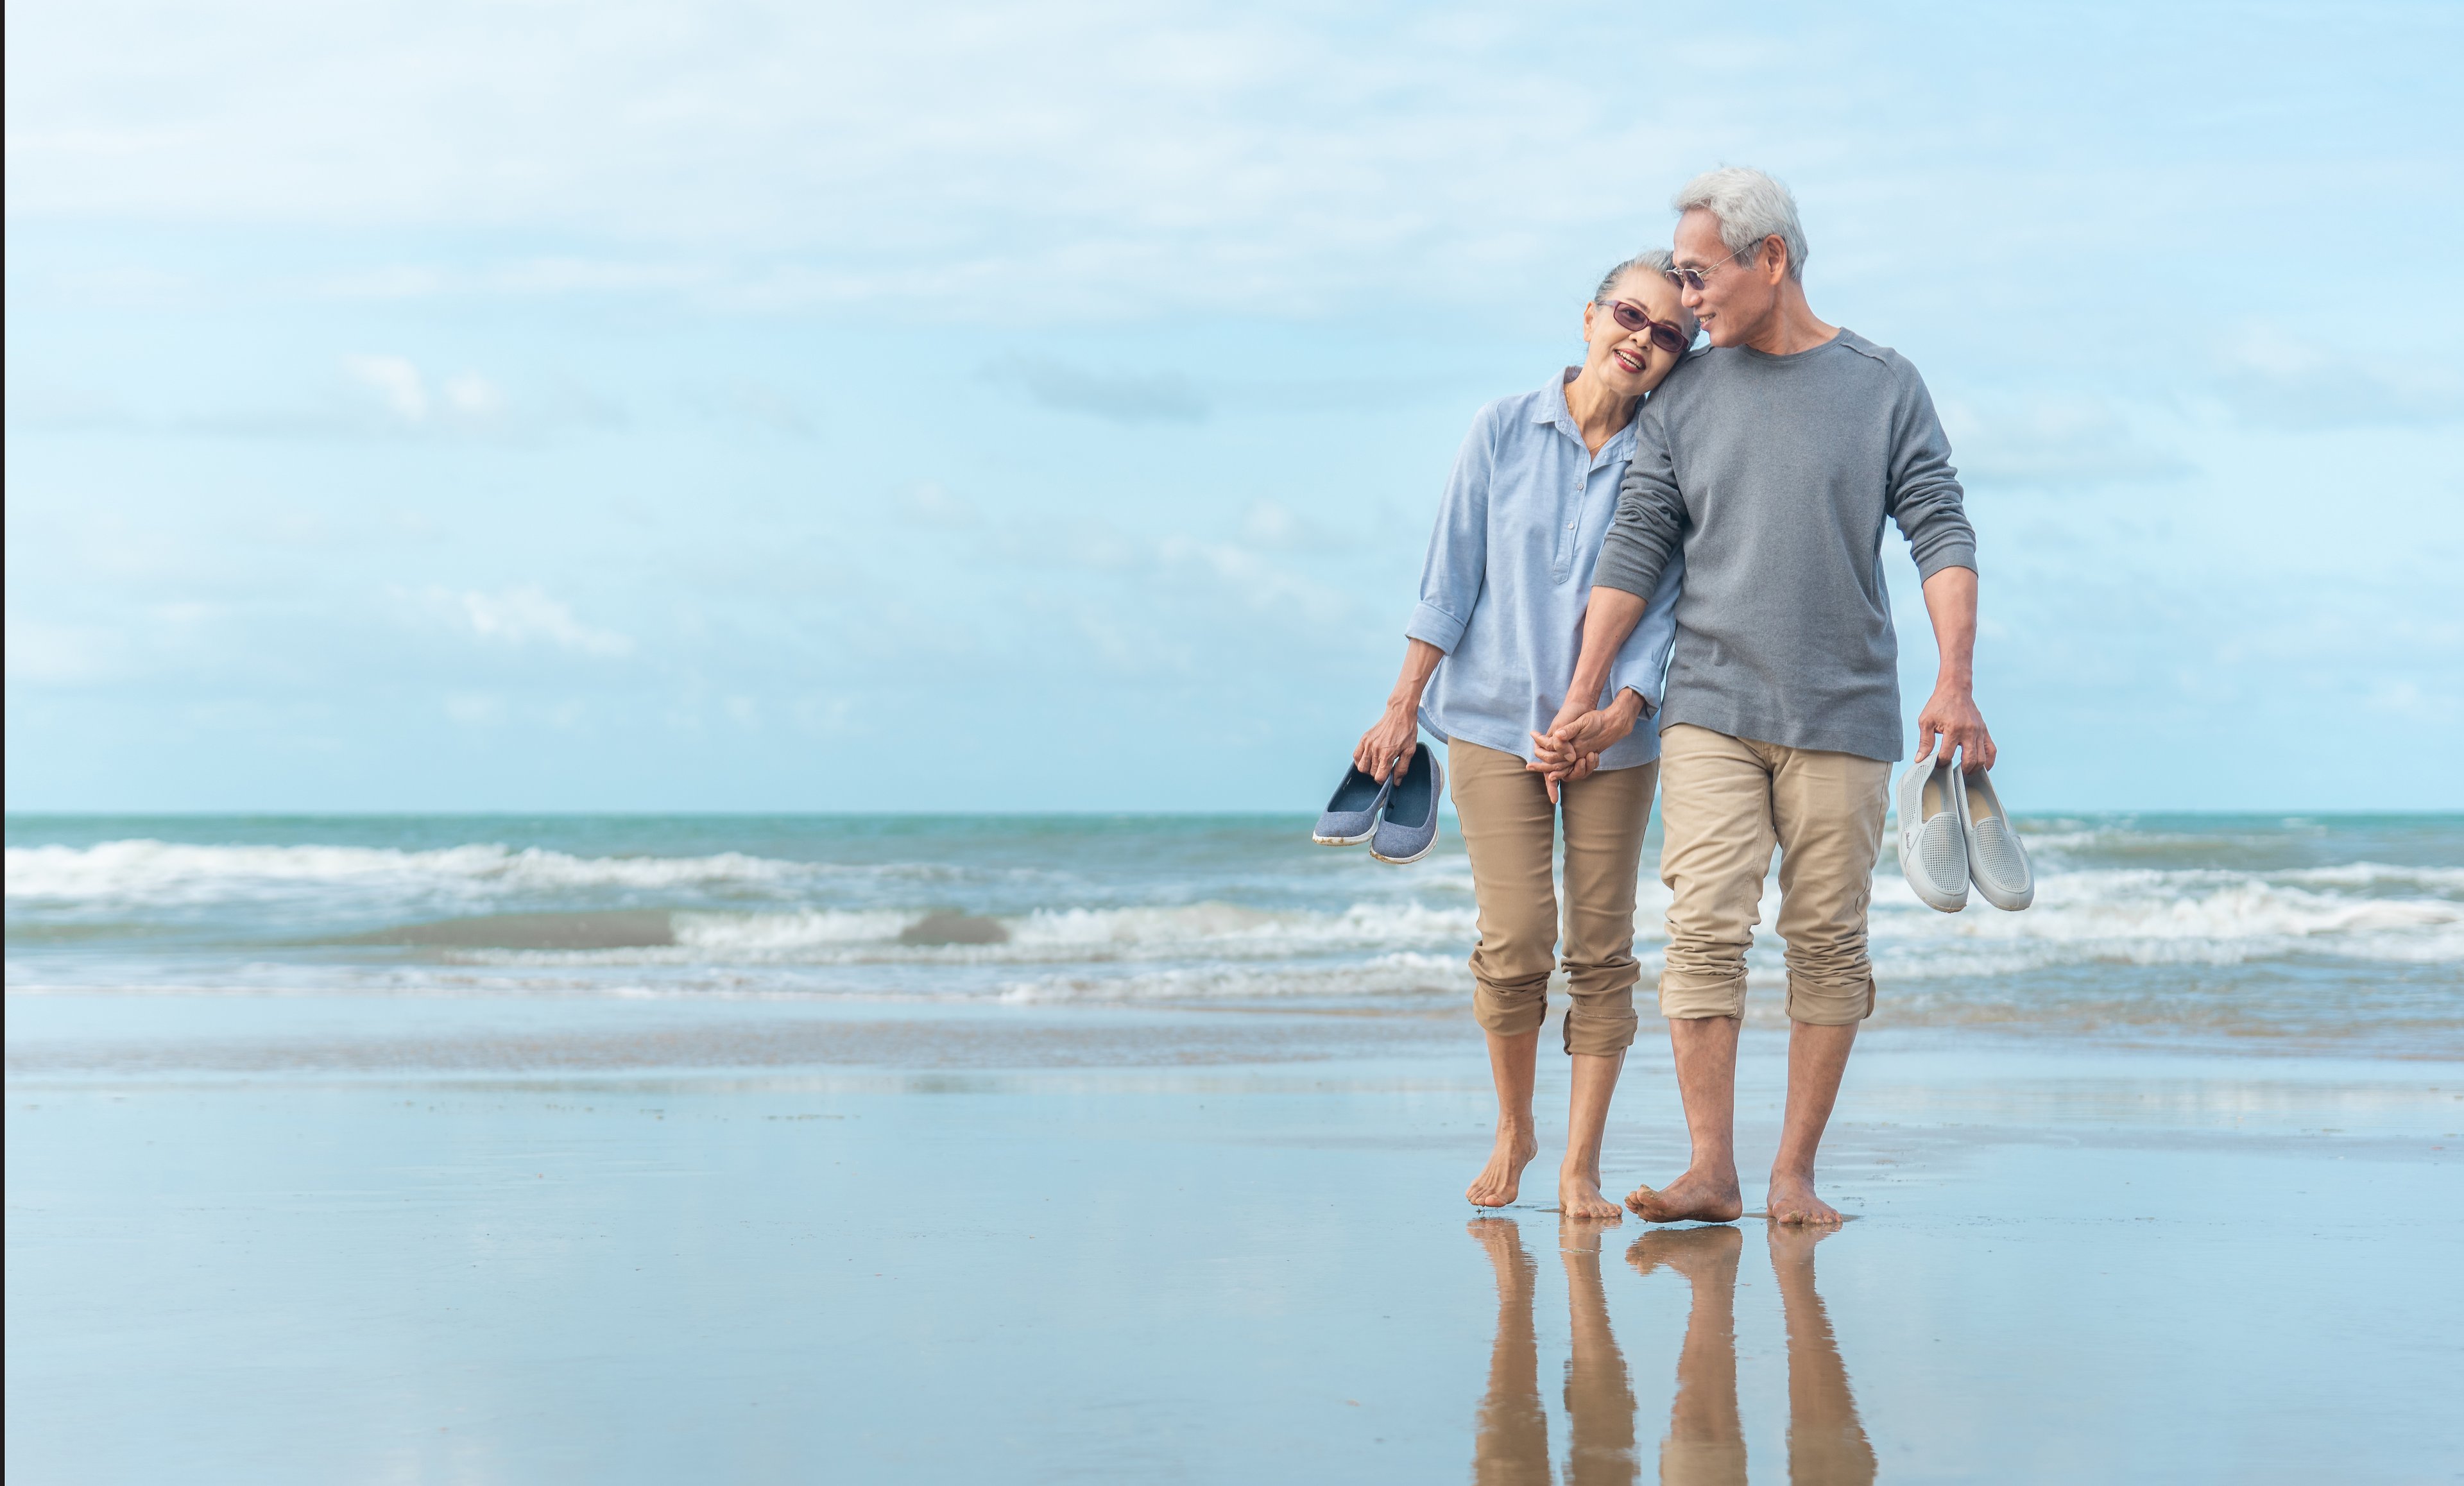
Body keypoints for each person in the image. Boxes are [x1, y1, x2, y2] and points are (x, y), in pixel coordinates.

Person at [1538, 167, 1992, 1226]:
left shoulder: (1884, 383)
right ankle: (1713, 1171)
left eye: (1699, 277)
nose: (1686, 302)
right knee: (1703, 930)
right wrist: (1586, 689)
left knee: (1828, 941)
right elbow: (1639, 538)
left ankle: (1792, 1176)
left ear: (1771, 260)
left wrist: (1956, 680)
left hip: (1845, 711)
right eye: (1678, 281)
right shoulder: (1683, 397)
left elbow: (1940, 530)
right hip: (1710, 702)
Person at [1353, 251, 1691, 1219]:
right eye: (1632, 315)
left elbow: (1665, 608)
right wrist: (1401, 703)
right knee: (1514, 941)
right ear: (1589, 317)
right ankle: (1515, 1127)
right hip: (1493, 727)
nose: (1644, 339)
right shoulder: (1499, 429)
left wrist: (1622, 710)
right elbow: (1449, 578)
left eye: (1670, 334)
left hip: (1614, 741)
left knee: (1602, 949)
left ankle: (1580, 1165)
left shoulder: (1668, 459)